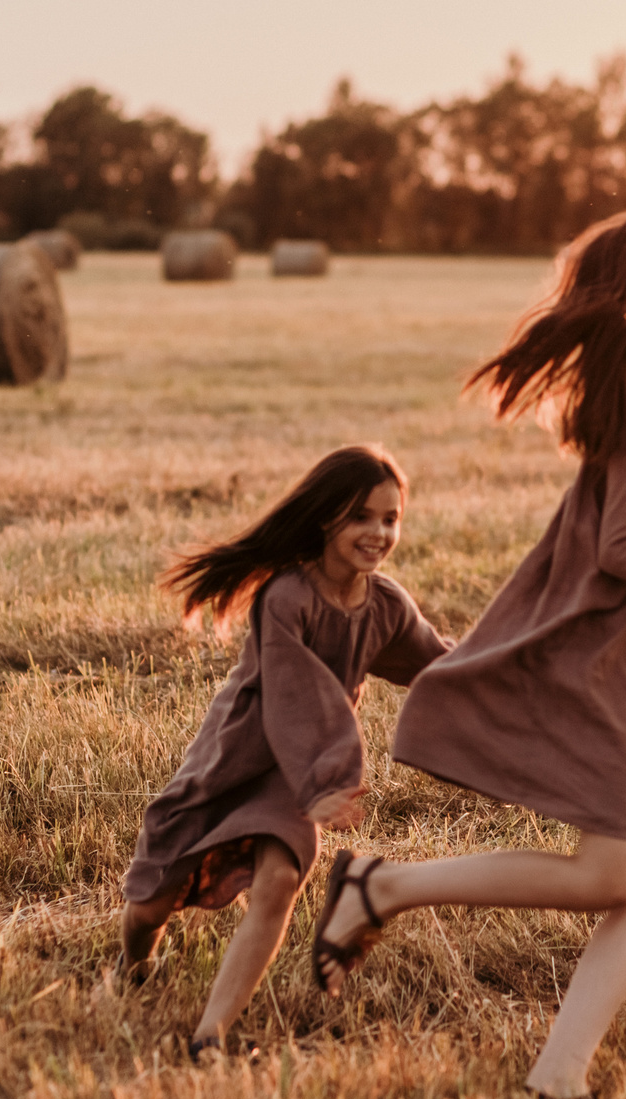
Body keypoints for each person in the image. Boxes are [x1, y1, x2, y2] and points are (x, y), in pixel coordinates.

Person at [305, 209, 626, 1099]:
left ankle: (558, 1076)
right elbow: (623, 547)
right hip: (609, 659)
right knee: (613, 872)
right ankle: (380, 885)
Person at [115, 445, 451, 1058]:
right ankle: (132, 967)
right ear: (326, 518)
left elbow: (441, 667)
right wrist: (329, 778)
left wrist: (515, 672)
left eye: (390, 519)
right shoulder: (287, 596)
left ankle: (209, 1036)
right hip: (242, 754)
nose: (378, 533)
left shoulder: (386, 605)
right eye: (362, 517)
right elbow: (299, 693)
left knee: (279, 882)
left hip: (300, 774)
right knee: (152, 902)